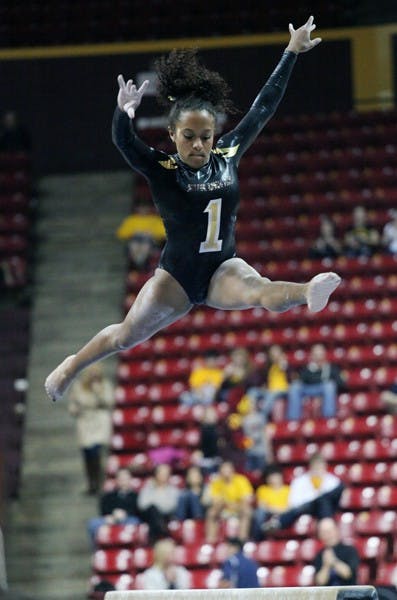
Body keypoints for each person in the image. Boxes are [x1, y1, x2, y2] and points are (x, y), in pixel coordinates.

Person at [45, 16, 341, 402]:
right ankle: (70, 366)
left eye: (205, 136)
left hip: (223, 267)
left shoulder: (228, 154)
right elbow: (125, 143)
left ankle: (307, 291)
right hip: (177, 277)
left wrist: (290, 52)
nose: (199, 145)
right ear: (172, 135)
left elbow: (262, 108)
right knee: (124, 337)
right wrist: (123, 113)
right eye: (188, 137)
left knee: (261, 291)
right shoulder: (163, 169)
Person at [262, 453, 344, 533]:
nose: (318, 469)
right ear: (310, 467)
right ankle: (277, 524)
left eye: (320, 466)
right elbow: (293, 502)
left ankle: (279, 522)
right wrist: (314, 498)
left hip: (327, 510)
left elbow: (337, 501)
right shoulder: (299, 481)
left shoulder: (333, 481)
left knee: (323, 500)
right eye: (315, 466)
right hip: (306, 509)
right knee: (319, 500)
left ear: (325, 466)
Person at [68, 364, 114, 494]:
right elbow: (73, 405)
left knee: (96, 452)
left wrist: (98, 393)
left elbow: (109, 402)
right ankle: (91, 482)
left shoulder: (105, 385)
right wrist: (75, 409)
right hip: (85, 422)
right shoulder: (79, 386)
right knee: (87, 454)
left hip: (100, 421)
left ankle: (98, 482)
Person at [287, 343, 345, 420]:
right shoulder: (307, 368)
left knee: (329, 385)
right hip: (308, 389)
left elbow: (341, 384)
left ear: (324, 355)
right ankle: (293, 419)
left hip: (323, 390)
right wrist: (312, 369)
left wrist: (324, 372)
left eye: (320, 354)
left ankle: (329, 418)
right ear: (312, 356)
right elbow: (301, 380)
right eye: (316, 355)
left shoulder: (331, 367)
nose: (318, 357)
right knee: (295, 386)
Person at [87, 467, 140, 547]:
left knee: (134, 522)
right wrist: (112, 515)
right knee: (92, 523)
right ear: (116, 480)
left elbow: (138, 511)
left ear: (130, 479)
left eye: (125, 478)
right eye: (120, 478)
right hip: (111, 518)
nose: (123, 481)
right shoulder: (109, 495)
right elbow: (104, 508)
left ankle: (130, 547)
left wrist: (125, 514)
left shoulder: (136, 496)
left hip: (129, 519)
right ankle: (98, 550)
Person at [205, 460, 253, 543]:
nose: (226, 472)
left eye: (228, 469)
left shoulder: (241, 480)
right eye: (223, 469)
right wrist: (226, 504)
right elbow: (215, 501)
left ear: (232, 470)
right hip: (223, 509)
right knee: (211, 512)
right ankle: (211, 540)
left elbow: (247, 499)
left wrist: (234, 505)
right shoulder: (216, 482)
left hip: (238, 508)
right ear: (220, 471)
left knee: (247, 510)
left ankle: (242, 539)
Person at [137, 463, 180, 543]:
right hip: (149, 516)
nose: (164, 476)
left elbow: (171, 506)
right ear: (156, 474)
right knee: (153, 510)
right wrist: (158, 505)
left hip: (166, 516)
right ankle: (164, 533)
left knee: (154, 512)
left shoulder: (173, 490)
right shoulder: (147, 489)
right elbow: (142, 505)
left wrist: (155, 503)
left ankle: (153, 542)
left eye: (166, 474)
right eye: (162, 473)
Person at [314, 517, 359, 586]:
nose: (327, 535)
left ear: (336, 530)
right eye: (324, 532)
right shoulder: (319, 555)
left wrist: (334, 561)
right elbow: (320, 582)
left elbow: (348, 574)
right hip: (327, 594)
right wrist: (326, 566)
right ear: (320, 535)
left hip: (348, 593)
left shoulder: (350, 550)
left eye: (329, 531)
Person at [252, 464, 290, 540]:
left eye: (275, 476)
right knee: (259, 512)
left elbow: (290, 508)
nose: (273, 479)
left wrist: (277, 510)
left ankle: (273, 525)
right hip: (268, 516)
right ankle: (257, 539)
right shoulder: (262, 489)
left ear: (281, 477)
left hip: (284, 516)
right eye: (270, 476)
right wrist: (276, 510)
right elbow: (262, 507)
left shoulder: (288, 490)